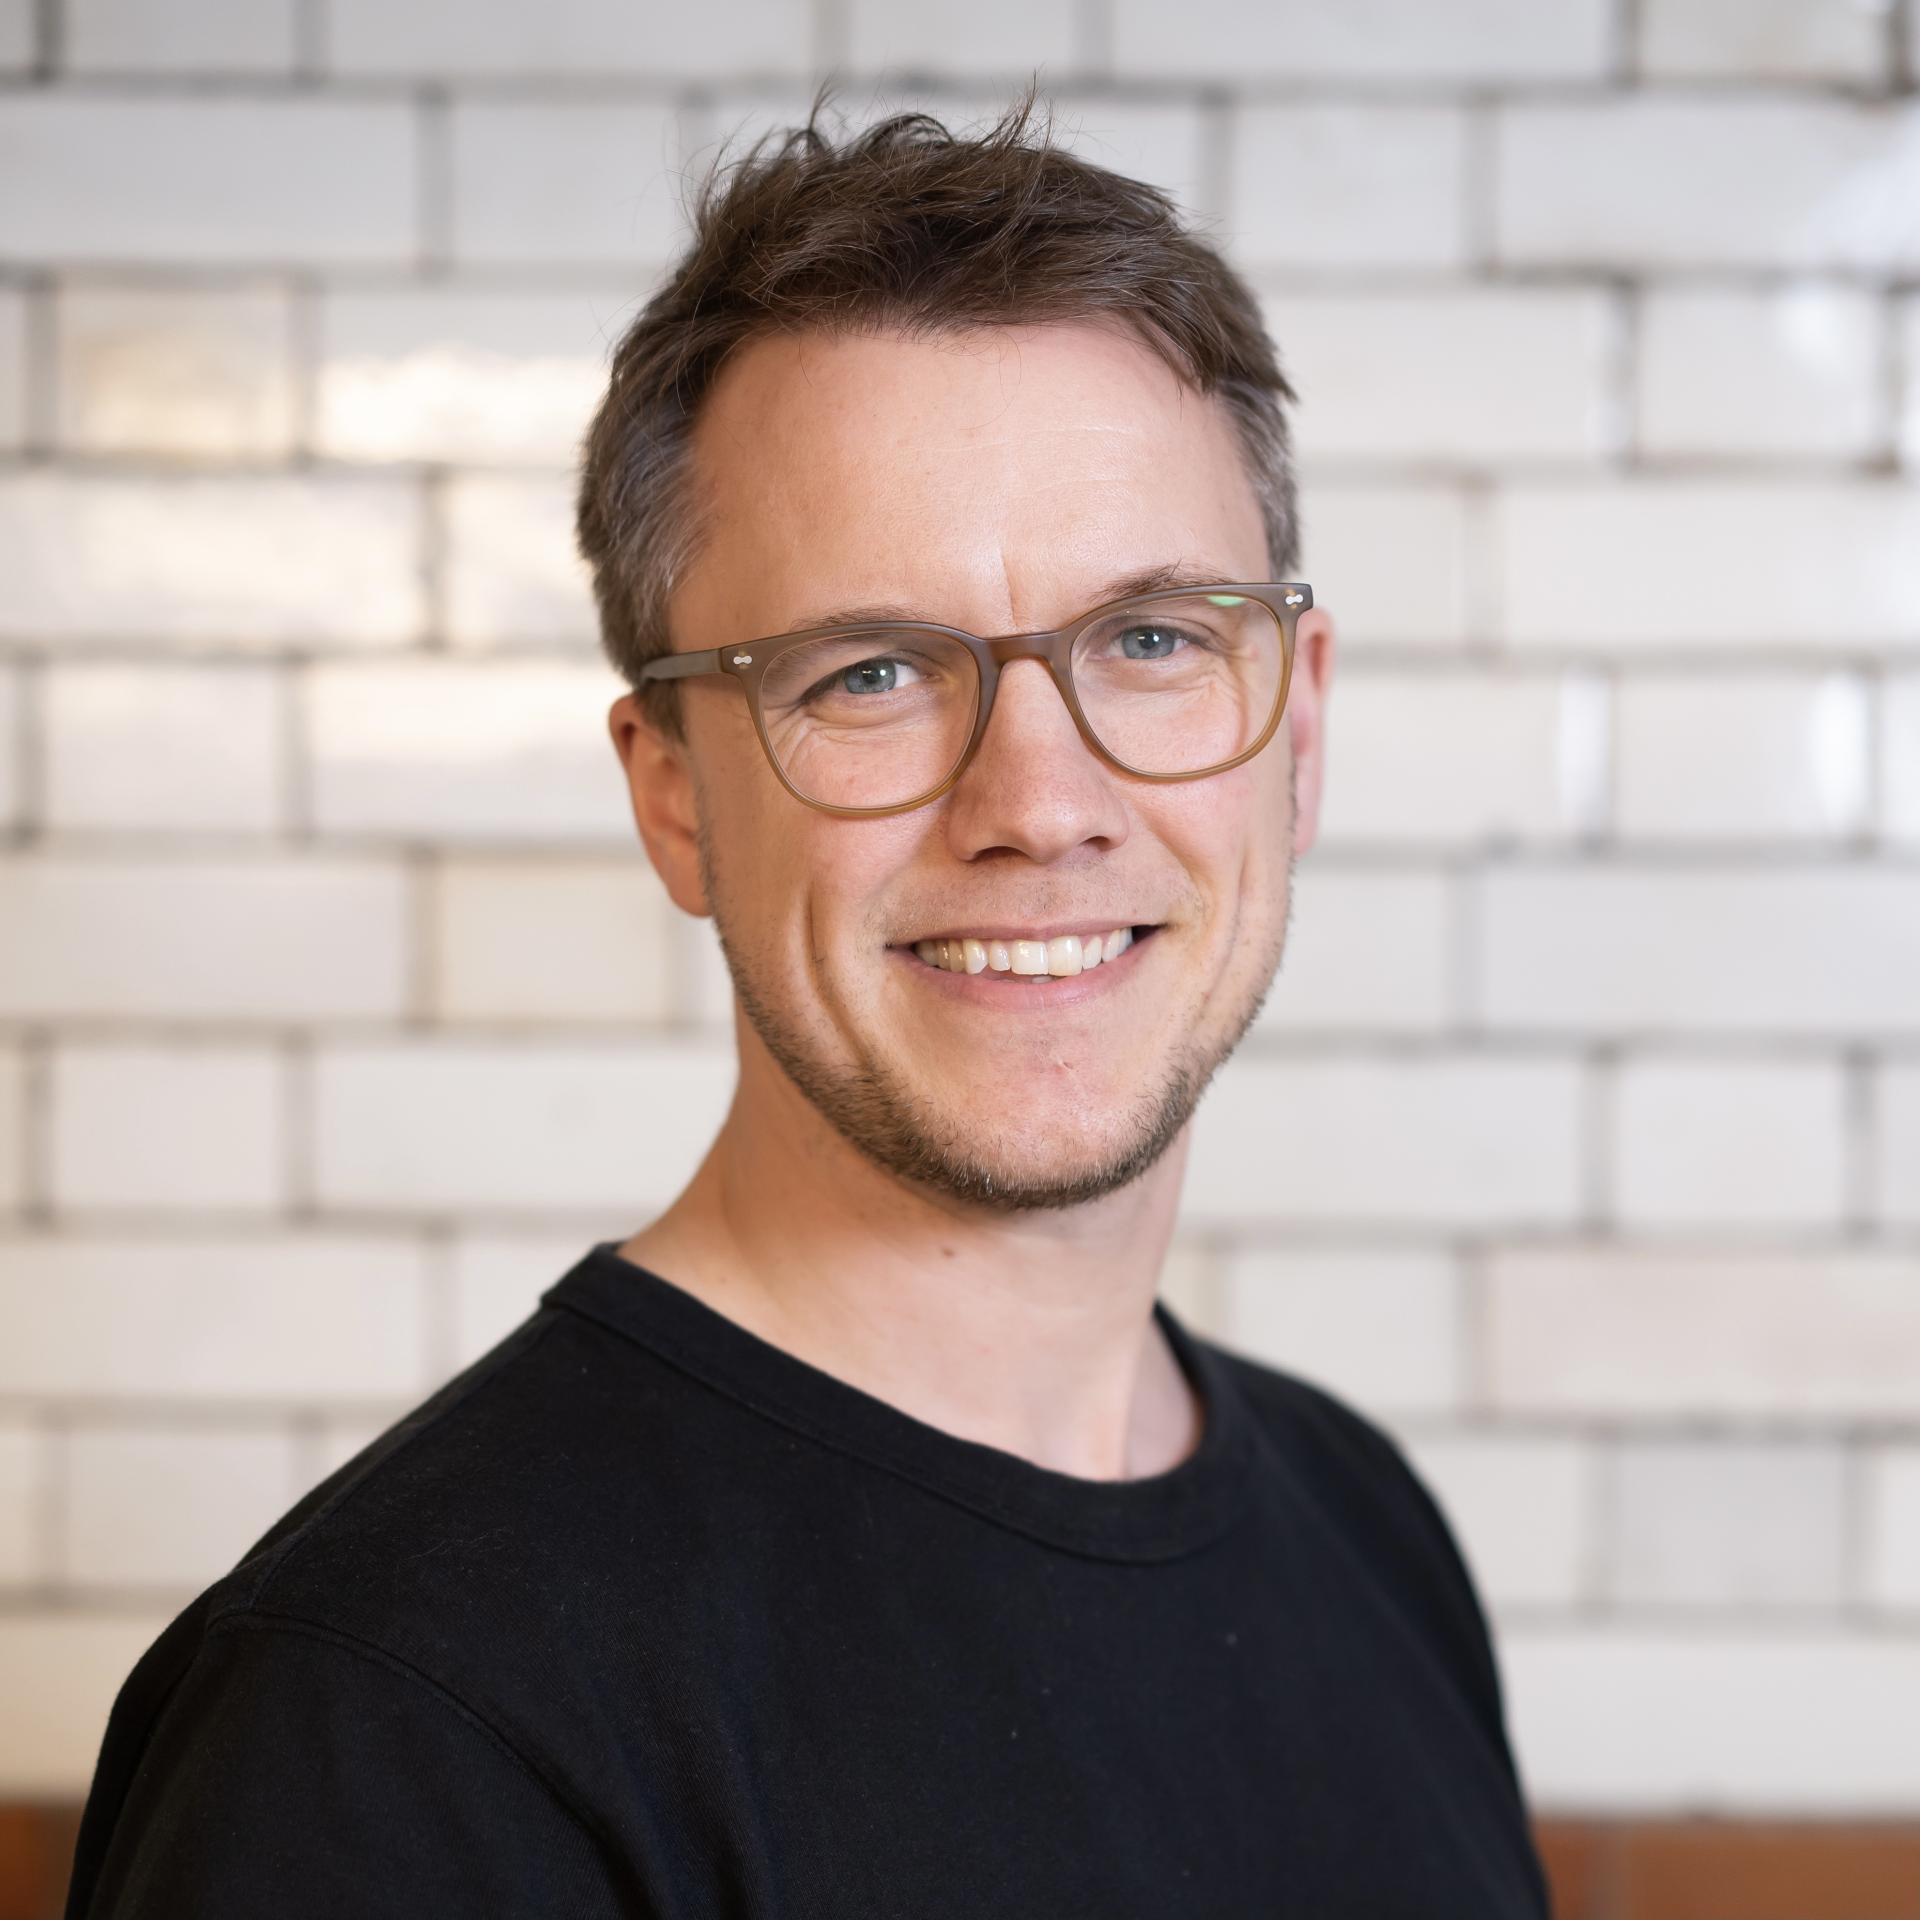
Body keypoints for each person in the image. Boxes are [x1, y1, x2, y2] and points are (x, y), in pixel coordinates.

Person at [62, 87, 1552, 1918]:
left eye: (1152, 640)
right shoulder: (394, 1721)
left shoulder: (1366, 1534)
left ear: (1297, 729)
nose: (1038, 805)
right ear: (674, 793)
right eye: (869, 674)